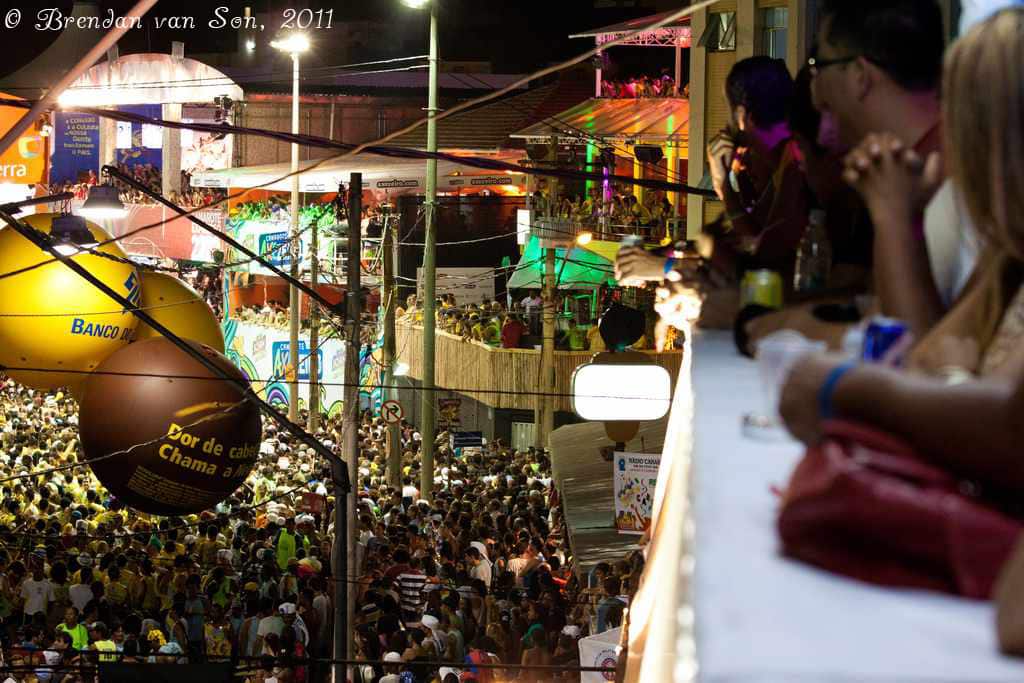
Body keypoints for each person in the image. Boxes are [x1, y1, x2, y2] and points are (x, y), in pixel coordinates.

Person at [778, 8, 1024, 494]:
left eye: (955, 117)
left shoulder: (970, 217)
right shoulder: (1006, 253)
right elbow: (922, 357)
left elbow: (1004, 421)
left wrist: (839, 386)